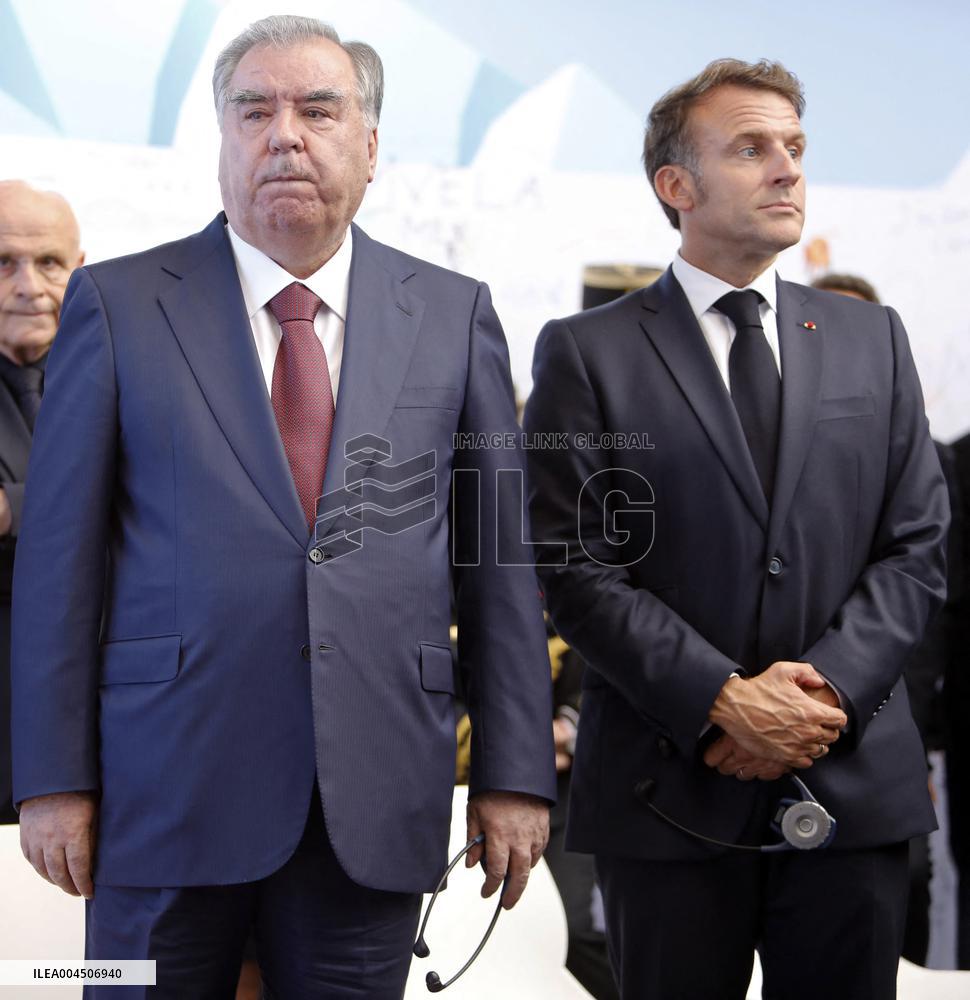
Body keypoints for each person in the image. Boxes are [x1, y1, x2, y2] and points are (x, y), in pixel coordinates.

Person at [11, 15, 555, 999]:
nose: (284, 133)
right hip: (157, 799)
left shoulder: (453, 312)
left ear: (371, 144)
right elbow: (59, 565)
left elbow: (497, 565)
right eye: (253, 110)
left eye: (317, 108)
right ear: (222, 142)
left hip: (373, 798)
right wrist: (52, 778)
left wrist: (515, 771)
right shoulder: (119, 304)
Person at [525, 58, 948, 1000]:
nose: (787, 168)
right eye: (752, 148)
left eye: (795, 148)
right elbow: (574, 567)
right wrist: (724, 698)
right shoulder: (586, 352)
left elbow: (916, 546)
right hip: (667, 798)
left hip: (849, 793)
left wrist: (816, 699)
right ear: (676, 186)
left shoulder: (871, 342)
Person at [0, 180, 84, 826]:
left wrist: (13, 509)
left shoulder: (130, 375)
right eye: (3, 264)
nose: (28, 285)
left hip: (103, 744)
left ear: (79, 271)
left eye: (48, 262)